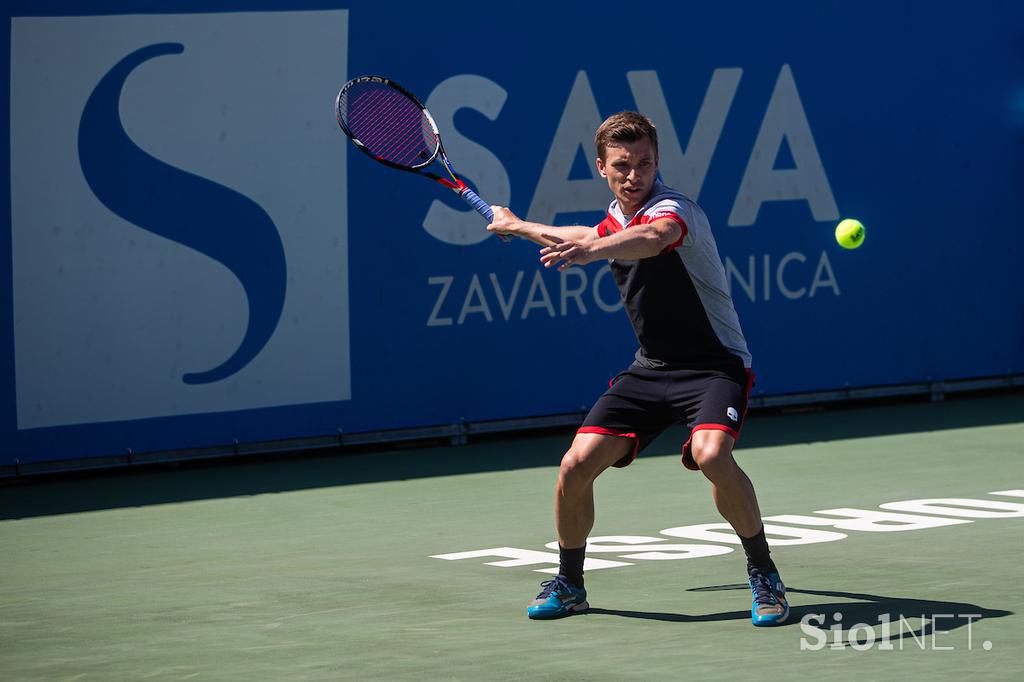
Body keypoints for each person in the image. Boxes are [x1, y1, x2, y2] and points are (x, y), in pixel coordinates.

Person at [486, 111, 788, 627]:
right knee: (574, 466)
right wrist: (518, 226)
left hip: (715, 366)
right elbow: (584, 231)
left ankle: (763, 574)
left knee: (712, 454)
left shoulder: (673, 210)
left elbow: (651, 238)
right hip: (650, 370)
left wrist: (591, 250)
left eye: (644, 163)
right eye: (623, 166)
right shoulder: (613, 220)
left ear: (657, 163)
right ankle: (570, 583)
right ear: (602, 167)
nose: (635, 175)